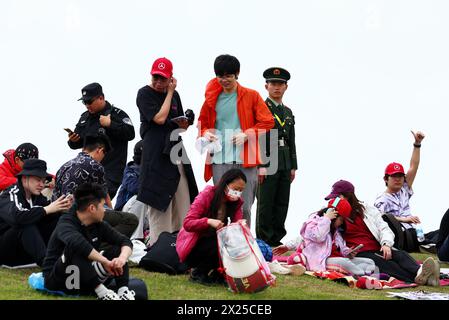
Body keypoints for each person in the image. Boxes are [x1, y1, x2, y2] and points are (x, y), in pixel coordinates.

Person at [197, 54, 274, 227]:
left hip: (245, 160)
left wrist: (247, 134)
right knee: (220, 206)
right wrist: (206, 133)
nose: (224, 80)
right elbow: (202, 125)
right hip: (219, 159)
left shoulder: (251, 95)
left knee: (244, 207)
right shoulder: (211, 99)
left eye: (229, 76)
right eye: (220, 76)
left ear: (237, 74)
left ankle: (244, 247)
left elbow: (268, 121)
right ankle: (219, 248)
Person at [324, 179, 440, 286]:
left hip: (378, 246)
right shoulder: (333, 214)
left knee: (400, 255)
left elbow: (383, 227)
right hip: (359, 253)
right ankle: (421, 278)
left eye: (337, 197)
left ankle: (421, 272)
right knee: (385, 264)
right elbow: (321, 231)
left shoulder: (367, 210)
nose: (333, 201)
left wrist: (386, 244)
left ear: (347, 196)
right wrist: (327, 218)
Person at [136, 57, 198, 246]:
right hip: (155, 151)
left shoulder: (175, 95)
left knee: (183, 196)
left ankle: (183, 244)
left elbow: (178, 126)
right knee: (158, 200)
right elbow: (160, 118)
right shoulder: (144, 93)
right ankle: (157, 246)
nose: (158, 82)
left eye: (163, 78)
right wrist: (170, 91)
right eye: (156, 77)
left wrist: (185, 122)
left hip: (175, 148)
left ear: (170, 77)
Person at [43, 183, 136, 300]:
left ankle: (123, 291)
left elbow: (124, 241)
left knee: (117, 250)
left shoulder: (98, 224)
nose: (105, 210)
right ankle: (103, 293)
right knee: (75, 248)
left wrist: (121, 259)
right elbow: (78, 244)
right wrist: (105, 262)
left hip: (84, 277)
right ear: (92, 208)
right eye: (103, 206)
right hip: (58, 280)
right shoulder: (65, 223)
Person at [54, 134, 138, 238]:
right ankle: (101, 246)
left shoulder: (64, 166)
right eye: (105, 153)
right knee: (130, 220)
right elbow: (105, 197)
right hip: (80, 214)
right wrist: (114, 213)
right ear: (100, 150)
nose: (103, 158)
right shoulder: (95, 165)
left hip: (59, 216)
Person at [176, 169, 246, 285]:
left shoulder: (237, 203)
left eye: (240, 190)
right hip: (194, 246)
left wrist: (241, 226)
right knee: (218, 243)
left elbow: (236, 228)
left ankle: (219, 274)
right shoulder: (207, 195)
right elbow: (188, 223)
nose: (237, 193)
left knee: (234, 243)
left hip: (215, 243)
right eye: (235, 189)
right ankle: (198, 273)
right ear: (225, 185)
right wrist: (208, 221)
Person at [67, 82, 135, 199]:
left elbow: (130, 134)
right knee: (81, 205)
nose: (87, 105)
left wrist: (110, 124)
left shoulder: (117, 114)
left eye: (89, 101)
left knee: (97, 204)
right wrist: (73, 140)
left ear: (101, 98)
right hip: (86, 171)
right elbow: (77, 143)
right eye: (84, 102)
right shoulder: (85, 117)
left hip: (109, 172)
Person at [0, 159, 72, 267]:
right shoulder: (11, 194)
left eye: (43, 181)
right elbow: (17, 217)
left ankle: (69, 257)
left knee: (59, 219)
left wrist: (62, 207)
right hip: (4, 251)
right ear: (24, 179)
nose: (42, 185)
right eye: (38, 180)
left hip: (23, 252)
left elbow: (49, 215)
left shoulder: (37, 197)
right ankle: (49, 266)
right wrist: (46, 209)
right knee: (25, 225)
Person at [256, 67, 298, 246]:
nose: (277, 87)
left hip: (285, 160)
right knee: (266, 202)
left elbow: (292, 139)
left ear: (286, 87)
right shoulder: (260, 108)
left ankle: (276, 239)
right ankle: (263, 239)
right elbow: (257, 136)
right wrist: (260, 164)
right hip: (267, 158)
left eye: (280, 84)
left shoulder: (287, 112)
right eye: (273, 83)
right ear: (266, 86)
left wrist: (294, 165)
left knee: (282, 201)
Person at [288, 197, 376, 276]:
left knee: (369, 262)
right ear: (334, 215)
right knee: (345, 263)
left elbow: (341, 249)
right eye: (341, 219)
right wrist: (326, 219)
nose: (342, 223)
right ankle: (362, 275)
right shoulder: (313, 223)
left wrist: (348, 252)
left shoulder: (336, 231)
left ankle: (359, 273)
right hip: (320, 261)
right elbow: (319, 237)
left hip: (336, 259)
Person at [374, 131, 434, 246]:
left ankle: (431, 245)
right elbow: (379, 219)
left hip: (415, 232)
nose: (398, 179)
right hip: (401, 236)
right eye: (394, 176)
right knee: (427, 239)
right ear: (386, 179)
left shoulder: (404, 189)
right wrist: (404, 219)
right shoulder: (381, 199)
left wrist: (417, 144)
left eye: (401, 176)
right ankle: (429, 246)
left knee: (440, 233)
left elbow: (413, 166)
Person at [114, 140, 148, 241]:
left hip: (146, 214)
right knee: (141, 198)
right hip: (125, 214)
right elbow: (134, 187)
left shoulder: (154, 170)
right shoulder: (131, 169)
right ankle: (135, 239)